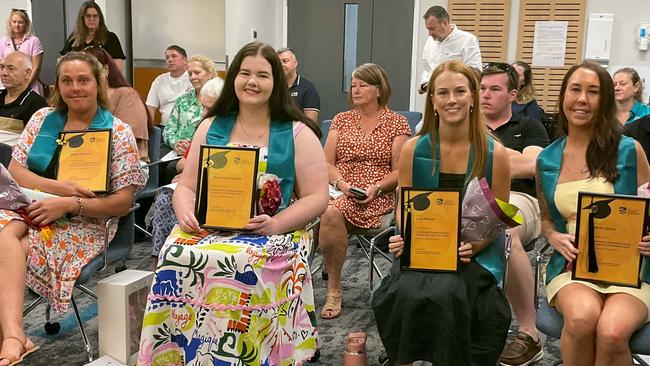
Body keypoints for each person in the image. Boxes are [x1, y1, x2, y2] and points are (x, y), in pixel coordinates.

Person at [138, 41, 328, 365]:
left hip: (274, 230)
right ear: (234, 78)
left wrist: (277, 224)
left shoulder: (298, 132)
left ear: (276, 83)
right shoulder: (211, 127)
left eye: (263, 75)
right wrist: (185, 214)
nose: (252, 82)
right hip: (210, 227)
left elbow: (317, 198)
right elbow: (186, 187)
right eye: (244, 73)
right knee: (175, 253)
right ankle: (186, 351)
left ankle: (258, 354)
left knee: (251, 262)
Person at [0, 51, 145, 366]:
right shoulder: (42, 119)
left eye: (83, 80)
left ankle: (13, 336)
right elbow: (15, 168)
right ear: (57, 86)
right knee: (4, 229)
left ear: (98, 84)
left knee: (7, 241)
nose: (75, 87)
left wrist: (69, 203)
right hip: (30, 207)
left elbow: (122, 202)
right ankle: (14, 335)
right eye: (67, 80)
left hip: (85, 223)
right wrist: (56, 189)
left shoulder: (117, 132)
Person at [372, 60, 511, 366]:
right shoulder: (413, 149)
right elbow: (403, 207)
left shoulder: (495, 154)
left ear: (473, 96)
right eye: (443, 93)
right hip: (422, 250)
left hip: (473, 255)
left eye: (460, 91)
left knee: (450, 292)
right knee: (403, 290)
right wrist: (401, 235)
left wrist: (474, 246)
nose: (452, 100)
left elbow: (497, 218)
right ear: (432, 100)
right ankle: (405, 358)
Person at [537, 61, 650, 366]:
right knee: (583, 317)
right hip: (572, 266)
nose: (582, 99)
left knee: (613, 332)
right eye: (575, 89)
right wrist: (553, 236)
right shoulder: (547, 159)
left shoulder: (629, 150)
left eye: (593, 91)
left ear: (605, 101)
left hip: (631, 267)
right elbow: (546, 220)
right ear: (563, 97)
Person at [319, 63, 410, 319]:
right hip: (341, 188)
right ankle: (317, 284)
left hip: (377, 194)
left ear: (379, 90)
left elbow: (400, 170)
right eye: (353, 85)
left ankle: (333, 291)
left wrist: (377, 187)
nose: (356, 90)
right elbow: (326, 163)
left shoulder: (396, 122)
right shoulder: (341, 119)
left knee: (329, 213)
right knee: (325, 208)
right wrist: (342, 185)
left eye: (363, 85)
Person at [480, 63, 549, 366]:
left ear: (512, 94)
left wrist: (483, 149)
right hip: (467, 196)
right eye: (481, 89)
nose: (485, 95)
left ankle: (528, 333)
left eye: (494, 89)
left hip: (521, 198)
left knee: (503, 227)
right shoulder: (463, 123)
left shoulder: (529, 126)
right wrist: (510, 156)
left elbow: (532, 167)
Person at [149, 78, 224, 266]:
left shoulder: (231, 128)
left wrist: (196, 172)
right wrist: (191, 171)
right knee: (165, 196)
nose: (204, 113)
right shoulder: (203, 126)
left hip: (220, 185)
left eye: (210, 108)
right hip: (194, 182)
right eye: (203, 107)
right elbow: (183, 163)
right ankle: (163, 259)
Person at [82, 46, 151, 162]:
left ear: (106, 70)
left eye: (92, 68)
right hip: (86, 159)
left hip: (127, 160)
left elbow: (126, 140)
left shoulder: (127, 95)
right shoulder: (79, 98)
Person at [161, 54, 220, 183]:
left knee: (172, 169)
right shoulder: (182, 101)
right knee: (163, 166)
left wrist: (192, 146)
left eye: (197, 73)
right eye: (190, 73)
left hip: (204, 152)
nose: (192, 77)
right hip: (180, 153)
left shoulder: (219, 98)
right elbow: (169, 129)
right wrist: (177, 143)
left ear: (209, 74)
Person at [418, 6, 482, 95]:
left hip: (458, 96)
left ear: (444, 23)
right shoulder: (429, 42)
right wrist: (424, 83)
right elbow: (427, 68)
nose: (429, 33)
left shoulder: (467, 40)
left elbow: (476, 72)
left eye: (432, 29)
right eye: (428, 29)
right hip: (435, 96)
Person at [60, 1, 126, 72]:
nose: (91, 19)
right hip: (77, 80)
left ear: (99, 18)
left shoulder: (110, 37)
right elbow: (62, 63)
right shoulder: (73, 38)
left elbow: (118, 67)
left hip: (103, 81)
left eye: (95, 16)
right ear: (82, 18)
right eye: (88, 16)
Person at [0, 52, 47, 146]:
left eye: (11, 68)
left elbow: (36, 145)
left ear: (27, 73)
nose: (4, 73)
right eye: (1, 67)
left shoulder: (36, 104)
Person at [0, 9, 45, 96]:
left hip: (30, 87)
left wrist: (24, 87)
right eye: (14, 22)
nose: (17, 25)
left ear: (26, 24)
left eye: (20, 22)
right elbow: (1, 66)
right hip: (10, 89)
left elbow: (36, 68)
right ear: (10, 23)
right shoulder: (3, 42)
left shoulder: (33, 41)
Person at [145, 45, 192, 126]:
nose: (170, 60)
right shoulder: (159, 80)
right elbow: (150, 107)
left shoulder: (193, 78)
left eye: (174, 56)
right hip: (165, 128)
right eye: (167, 58)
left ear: (184, 60)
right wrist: (147, 129)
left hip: (188, 128)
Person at [277, 47, 321, 122]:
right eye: (278, 62)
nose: (281, 65)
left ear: (295, 63)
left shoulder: (308, 88)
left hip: (298, 132)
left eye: (285, 61)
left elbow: (311, 123)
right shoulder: (272, 86)